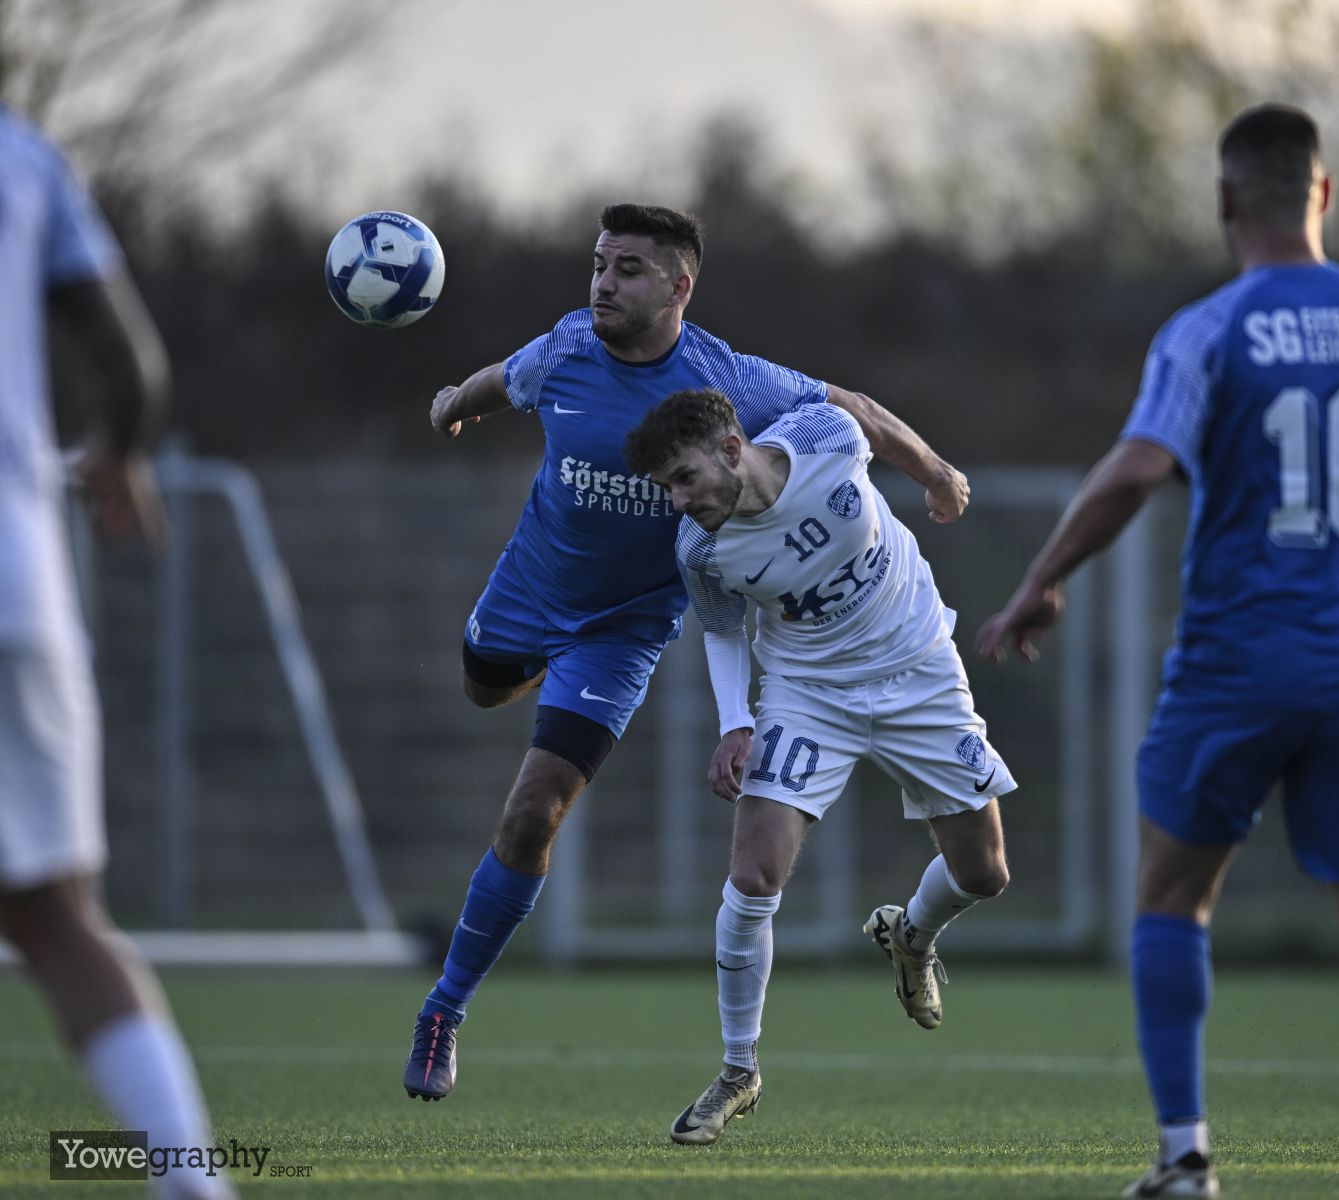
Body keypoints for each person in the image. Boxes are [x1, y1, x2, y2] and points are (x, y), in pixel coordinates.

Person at [403, 203, 973, 1101]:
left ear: (679, 286)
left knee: (533, 812)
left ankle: (443, 1009)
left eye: (627, 269)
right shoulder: (564, 348)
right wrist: (448, 406)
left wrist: (933, 472)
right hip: (529, 592)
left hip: (622, 631)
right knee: (482, 689)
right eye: (598, 264)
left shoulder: (730, 381)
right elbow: (498, 381)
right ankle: (542, 678)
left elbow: (853, 410)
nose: (603, 283)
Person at [976, 103, 1339, 1200]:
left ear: (1224, 199)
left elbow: (1139, 466)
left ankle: (1184, 1158)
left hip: (1238, 660)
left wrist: (1041, 580)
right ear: (1322, 193)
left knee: (1173, 897)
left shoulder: (1207, 330)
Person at [623, 387, 1015, 1145]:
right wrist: (736, 722)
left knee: (985, 874)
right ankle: (738, 1070)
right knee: (753, 876)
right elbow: (722, 631)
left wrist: (935, 473)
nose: (678, 501)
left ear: (731, 450)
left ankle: (912, 935)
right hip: (808, 695)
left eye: (684, 478)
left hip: (919, 671)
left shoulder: (823, 436)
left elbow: (868, 415)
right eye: (666, 487)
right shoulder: (700, 548)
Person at [0, 105, 235, 1199]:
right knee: (60, 919)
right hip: (18, 578)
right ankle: (191, 1180)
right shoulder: (24, 155)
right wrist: (117, 454)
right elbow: (130, 362)